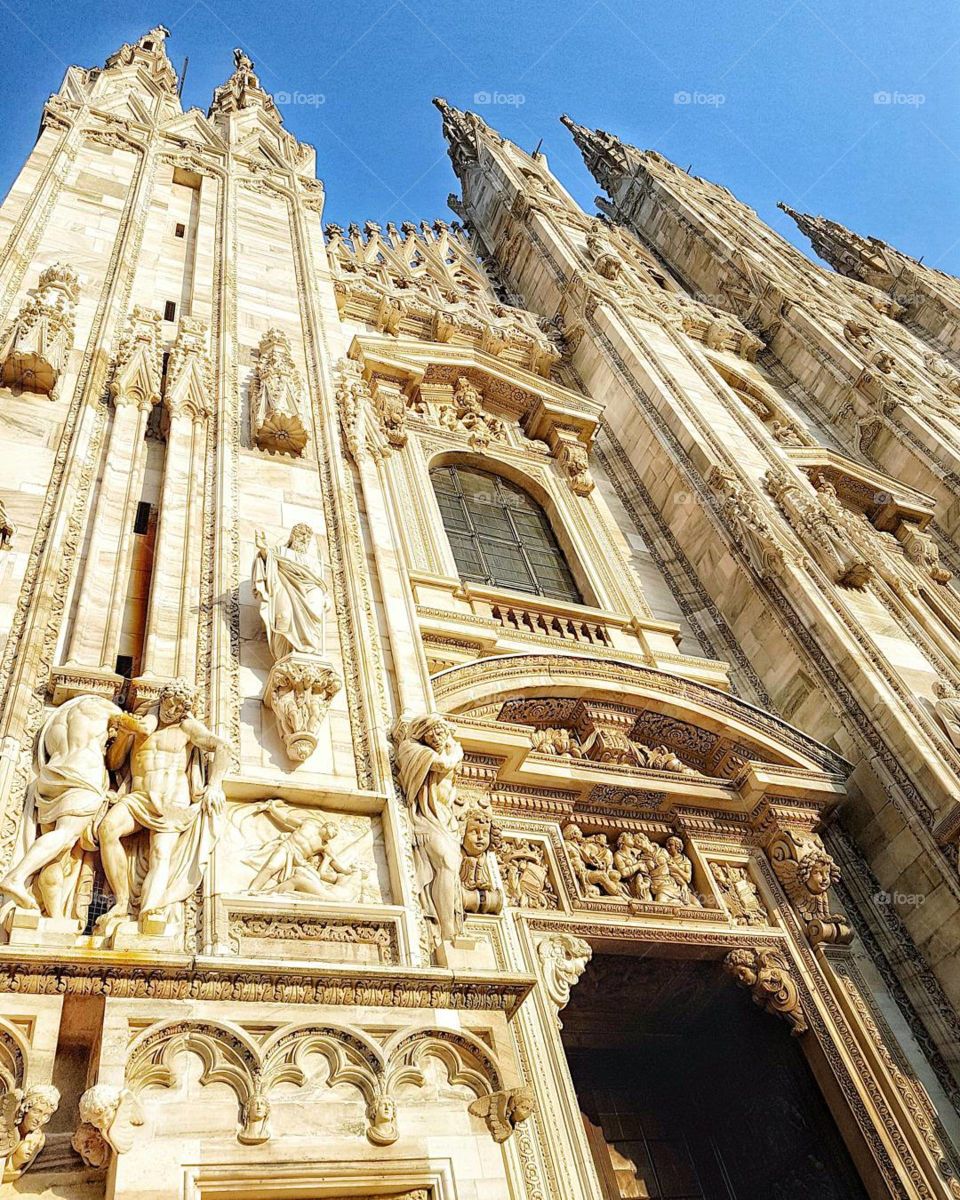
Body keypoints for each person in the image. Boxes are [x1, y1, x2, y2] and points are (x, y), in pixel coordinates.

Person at [95, 679, 229, 930]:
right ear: (162, 698)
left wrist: (215, 785)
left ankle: (150, 911)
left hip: (172, 801)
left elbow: (221, 746)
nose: (172, 710)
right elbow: (113, 763)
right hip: (139, 796)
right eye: (169, 703)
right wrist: (126, 732)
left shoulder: (187, 727)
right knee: (107, 829)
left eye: (179, 707)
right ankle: (121, 902)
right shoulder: (141, 723)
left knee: (160, 853)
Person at [0, 695, 140, 917]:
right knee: (65, 836)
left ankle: (54, 916)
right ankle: (16, 877)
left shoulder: (63, 714)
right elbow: (115, 761)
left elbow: (44, 749)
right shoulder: (112, 714)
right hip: (83, 776)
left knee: (57, 853)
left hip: (52, 775)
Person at [395, 713, 464, 944]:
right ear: (420, 734)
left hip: (446, 820)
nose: (437, 737)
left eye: (440, 732)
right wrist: (457, 752)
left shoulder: (445, 748)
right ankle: (446, 932)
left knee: (451, 870)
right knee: (446, 862)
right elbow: (443, 765)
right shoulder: (412, 749)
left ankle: (451, 927)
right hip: (424, 819)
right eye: (431, 733)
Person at [252, 524, 329, 660]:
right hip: (285, 587)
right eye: (301, 535)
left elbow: (319, 582)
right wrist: (263, 549)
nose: (304, 539)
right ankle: (284, 654)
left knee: (315, 612)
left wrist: (325, 596)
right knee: (284, 616)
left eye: (307, 537)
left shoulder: (313, 561)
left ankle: (309, 648)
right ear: (292, 536)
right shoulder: (280, 551)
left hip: (311, 589)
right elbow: (268, 559)